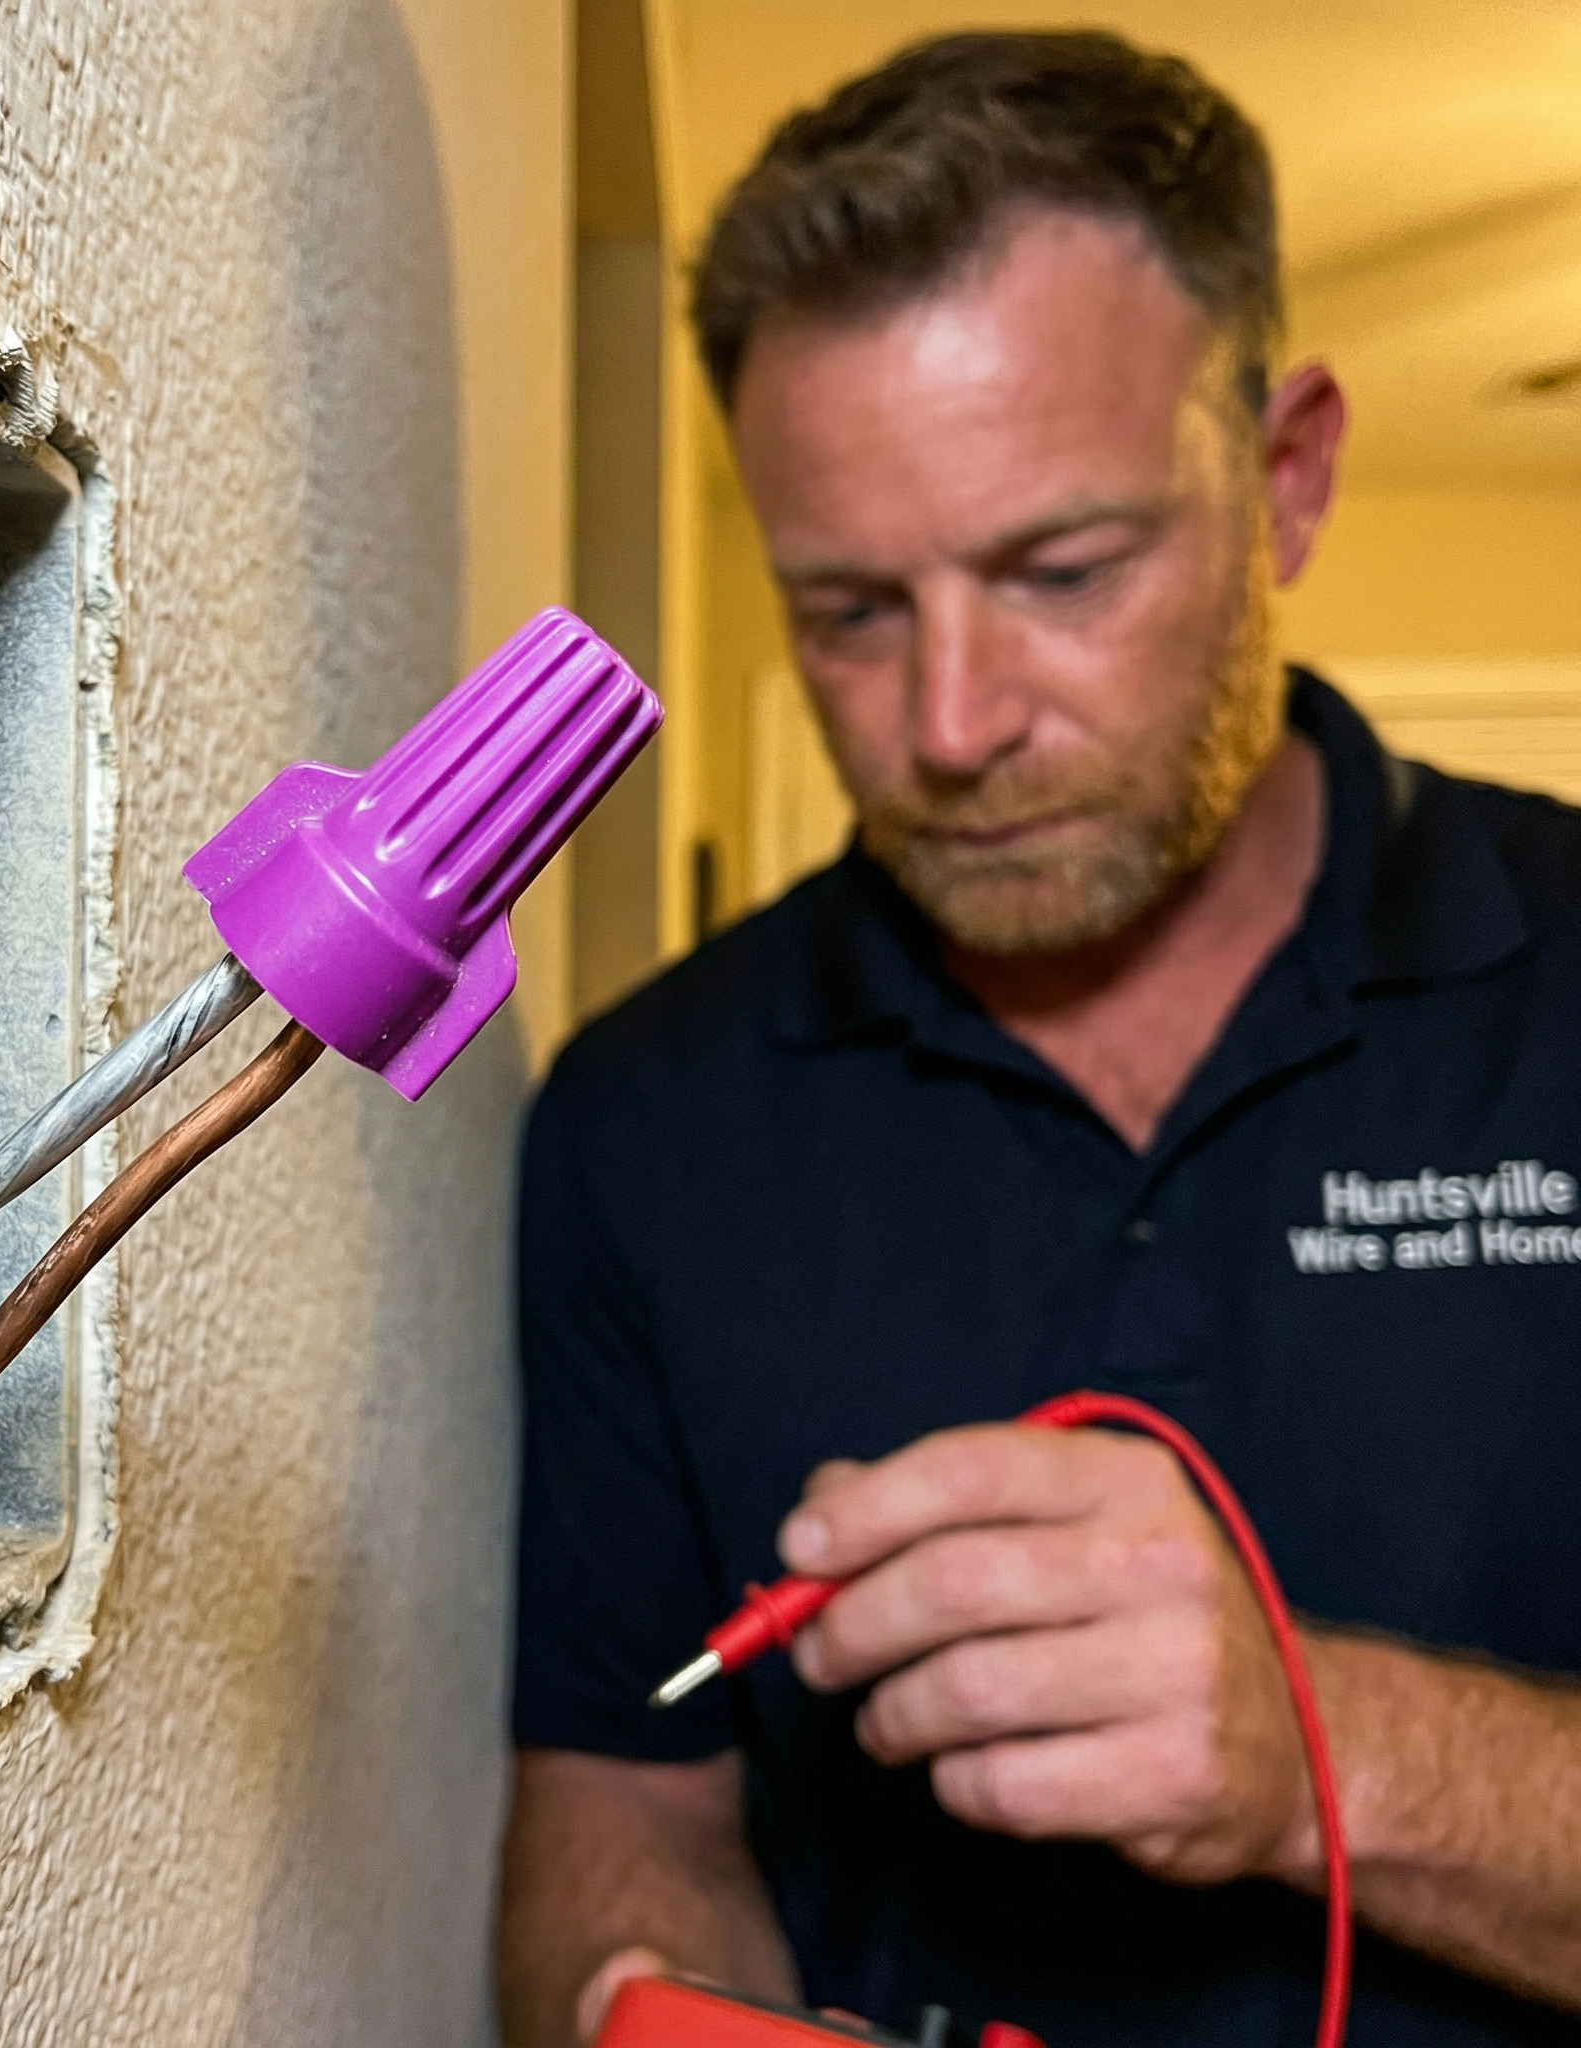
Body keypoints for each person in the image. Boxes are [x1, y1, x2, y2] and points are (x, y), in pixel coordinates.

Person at [500, 30, 1581, 2048]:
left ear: (1287, 477)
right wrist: (646, 1996)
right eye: (847, 610)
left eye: (1062, 573)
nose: (949, 725)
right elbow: (620, 1800)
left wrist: (1313, 1751)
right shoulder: (644, 1121)